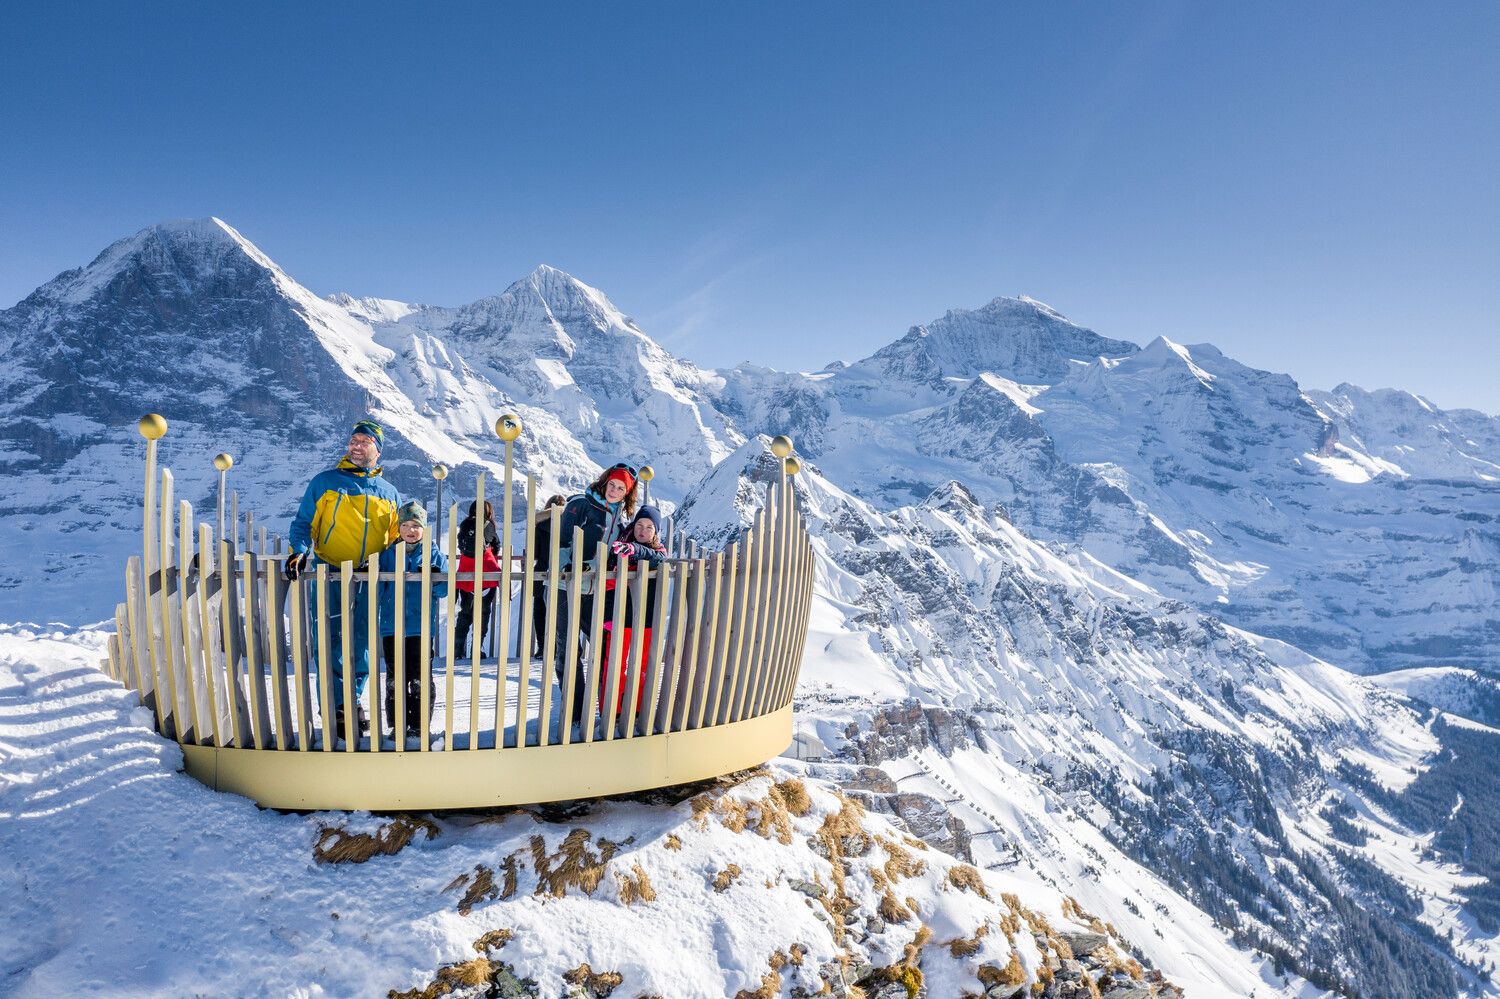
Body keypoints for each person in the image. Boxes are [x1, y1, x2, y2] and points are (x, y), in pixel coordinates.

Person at [285, 419, 402, 743]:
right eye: (354, 440)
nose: (356, 445)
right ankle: (335, 708)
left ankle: (352, 701)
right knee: (330, 641)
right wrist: (299, 552)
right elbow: (304, 522)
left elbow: (396, 538)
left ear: (378, 450)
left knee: (362, 644)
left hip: (369, 578)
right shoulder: (325, 482)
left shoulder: (388, 493)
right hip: (331, 572)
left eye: (365, 441)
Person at [552, 463, 639, 725]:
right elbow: (562, 540)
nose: (614, 491)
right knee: (567, 649)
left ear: (627, 493)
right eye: (612, 484)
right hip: (565, 588)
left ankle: (603, 704)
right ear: (604, 482)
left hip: (594, 591)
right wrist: (566, 567)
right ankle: (575, 711)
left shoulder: (619, 519)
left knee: (602, 646)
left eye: (621, 488)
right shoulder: (581, 503)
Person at [376, 501, 449, 743]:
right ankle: (398, 725)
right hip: (391, 626)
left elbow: (444, 591)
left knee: (419, 678)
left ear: (424, 528)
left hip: (421, 627)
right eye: (405, 525)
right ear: (398, 528)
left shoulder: (433, 554)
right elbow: (377, 591)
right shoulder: (388, 555)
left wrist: (436, 578)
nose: (410, 530)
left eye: (416, 525)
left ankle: (418, 725)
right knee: (395, 678)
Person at [598, 505, 670, 724]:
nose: (642, 530)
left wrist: (635, 549)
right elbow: (609, 586)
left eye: (649, 527)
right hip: (621, 618)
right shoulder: (619, 550)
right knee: (615, 665)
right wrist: (608, 617)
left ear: (656, 532)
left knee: (642, 666)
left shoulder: (658, 552)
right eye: (639, 524)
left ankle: (637, 709)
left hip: (647, 620)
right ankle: (613, 710)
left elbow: (658, 558)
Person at [454, 499, 500, 659]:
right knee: (484, 612)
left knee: (465, 612)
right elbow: (496, 545)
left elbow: (460, 544)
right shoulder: (489, 525)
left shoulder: (465, 524)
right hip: (487, 572)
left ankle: (458, 649)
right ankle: (476, 649)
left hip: (466, 570)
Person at [526, 494, 568, 658]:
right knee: (561, 612)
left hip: (542, 571)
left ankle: (543, 648)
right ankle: (559, 648)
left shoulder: (540, 526)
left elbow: (534, 553)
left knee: (540, 611)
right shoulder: (569, 525)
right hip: (563, 571)